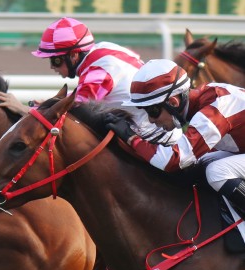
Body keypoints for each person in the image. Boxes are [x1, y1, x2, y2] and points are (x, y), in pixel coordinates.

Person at [0, 17, 177, 144]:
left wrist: (23, 108)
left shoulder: (99, 71)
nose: (52, 67)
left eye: (55, 59)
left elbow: (71, 111)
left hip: (151, 137)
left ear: (73, 55)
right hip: (146, 129)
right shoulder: (103, 50)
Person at [105, 58, 245, 214]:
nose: (151, 120)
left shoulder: (214, 110)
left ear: (173, 102)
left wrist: (132, 138)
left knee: (217, 171)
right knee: (202, 162)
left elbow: (172, 160)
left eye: (153, 111)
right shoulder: (206, 97)